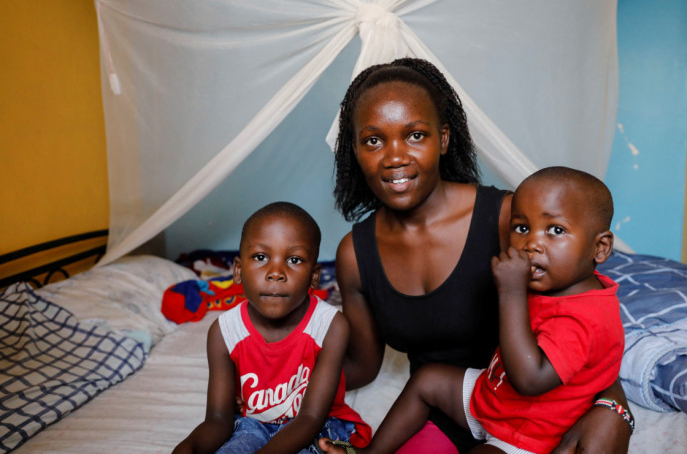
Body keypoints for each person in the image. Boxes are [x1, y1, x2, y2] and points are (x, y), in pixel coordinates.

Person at [326, 58, 633, 453]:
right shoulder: (355, 254)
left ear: (444, 139)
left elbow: (583, 319)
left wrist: (612, 408)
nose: (394, 157)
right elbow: (363, 365)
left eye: (416, 135)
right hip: (455, 405)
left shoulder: (512, 220)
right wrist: (280, 376)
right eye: (373, 140)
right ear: (354, 149)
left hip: (536, 413)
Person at [174, 202, 371, 454]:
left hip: (318, 427)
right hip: (253, 425)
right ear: (238, 270)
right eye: (260, 257)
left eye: (294, 259)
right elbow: (217, 419)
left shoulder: (330, 326)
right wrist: (189, 447)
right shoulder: (224, 332)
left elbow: (310, 417)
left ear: (314, 276)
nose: (275, 272)